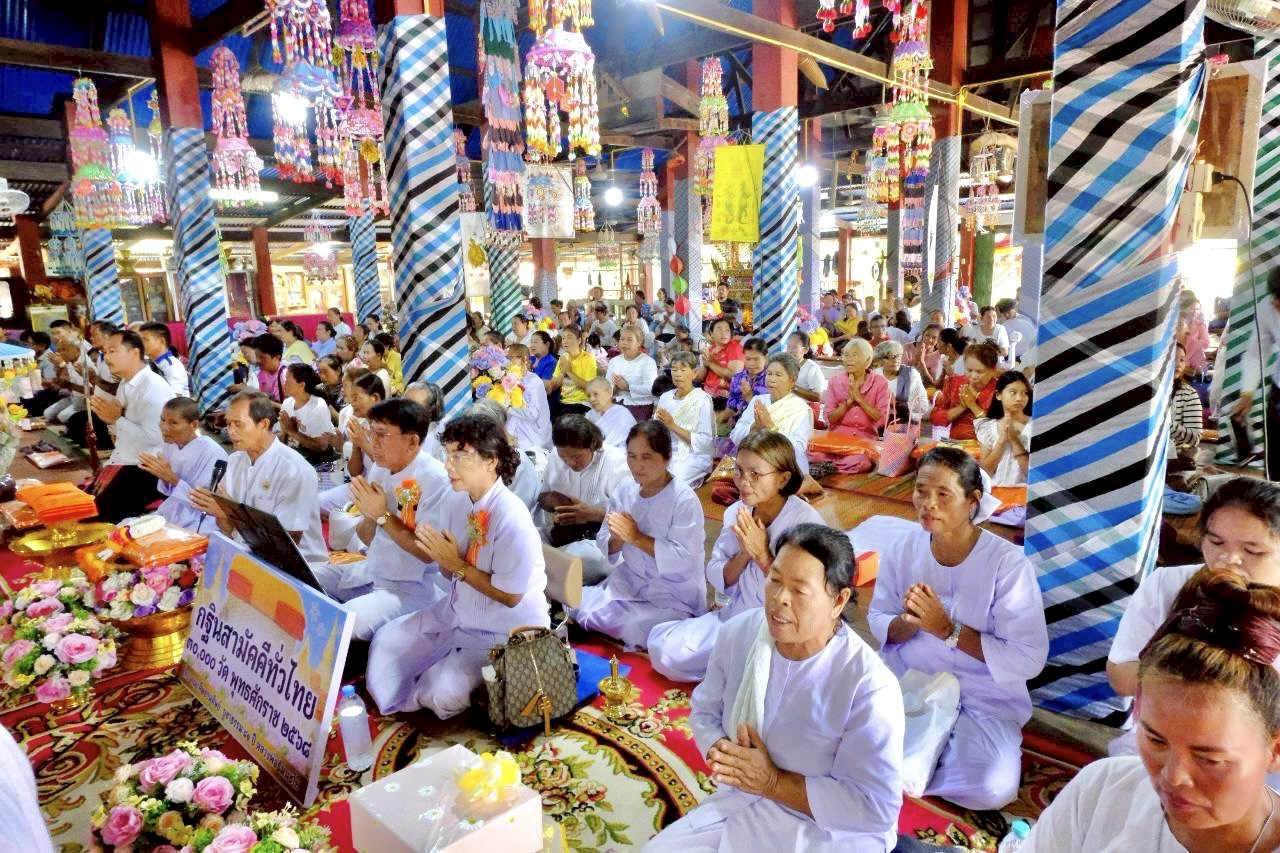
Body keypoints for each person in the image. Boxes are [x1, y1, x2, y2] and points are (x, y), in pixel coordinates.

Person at [645, 523, 905, 853]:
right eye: (775, 580)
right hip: (744, 801)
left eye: (799, 590)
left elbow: (875, 807)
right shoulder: (739, 632)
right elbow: (705, 711)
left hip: (824, 830)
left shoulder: (869, 686)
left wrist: (773, 782)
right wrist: (724, 753)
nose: (780, 599)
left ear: (838, 601)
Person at [1023, 570, 1280, 853]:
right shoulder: (1102, 791)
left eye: (1209, 759)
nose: (1173, 777)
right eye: (1156, 740)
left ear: (1275, 750)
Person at [868, 446, 1048, 810]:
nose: (928, 504)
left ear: (972, 501)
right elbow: (878, 617)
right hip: (911, 677)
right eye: (921, 491)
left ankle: (905, 765)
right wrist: (907, 623)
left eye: (943, 494)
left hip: (981, 693)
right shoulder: (903, 548)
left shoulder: (1007, 564)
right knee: (840, 727)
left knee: (992, 785)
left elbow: (1028, 658)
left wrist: (947, 629)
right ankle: (910, 760)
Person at [366, 413, 550, 716]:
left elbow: (510, 596)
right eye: (447, 455)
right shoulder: (457, 500)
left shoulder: (512, 516)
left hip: (506, 629)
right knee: (387, 642)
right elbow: (447, 569)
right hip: (457, 612)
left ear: (491, 460)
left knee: (440, 693)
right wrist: (445, 560)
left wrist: (455, 563)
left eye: (459, 457)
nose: (448, 466)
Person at [1107, 478, 1280, 758]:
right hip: (1163, 737)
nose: (1228, 558)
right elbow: (1120, 674)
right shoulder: (1168, 584)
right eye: (1215, 542)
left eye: (1252, 551)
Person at [649, 431, 822, 682]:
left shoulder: (806, 524)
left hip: (781, 629)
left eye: (755, 474)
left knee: (766, 675)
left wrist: (762, 554)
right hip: (736, 616)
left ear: (783, 479)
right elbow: (718, 574)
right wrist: (744, 553)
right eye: (739, 471)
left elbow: (804, 596)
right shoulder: (736, 512)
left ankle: (737, 673)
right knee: (663, 648)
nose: (743, 481)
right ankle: (730, 670)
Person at [312, 399, 452, 639]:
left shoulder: (436, 480)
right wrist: (368, 513)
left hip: (410, 587)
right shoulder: (381, 468)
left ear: (412, 441)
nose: (373, 442)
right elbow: (367, 536)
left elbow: (427, 553)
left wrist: (382, 515)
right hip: (372, 569)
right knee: (304, 577)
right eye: (371, 432)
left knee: (338, 625)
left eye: (381, 434)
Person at [568, 420, 707, 649]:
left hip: (671, 593)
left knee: (638, 629)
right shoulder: (625, 489)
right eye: (631, 456)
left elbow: (685, 559)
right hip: (629, 581)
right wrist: (618, 538)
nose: (637, 465)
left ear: (667, 458)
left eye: (646, 457)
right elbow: (604, 541)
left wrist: (636, 538)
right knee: (577, 604)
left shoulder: (684, 499)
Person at [189, 391, 327, 562]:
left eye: (238, 424)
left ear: (263, 424)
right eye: (228, 424)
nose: (231, 431)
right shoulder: (234, 461)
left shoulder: (294, 470)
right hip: (246, 553)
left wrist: (232, 513)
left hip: (296, 566)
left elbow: (286, 548)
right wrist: (224, 514)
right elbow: (226, 528)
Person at [91, 330, 178, 522]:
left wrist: (116, 419)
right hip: (127, 459)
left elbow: (156, 438)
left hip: (149, 468)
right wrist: (111, 421)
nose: (107, 358)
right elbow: (121, 433)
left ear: (135, 353)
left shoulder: (153, 387)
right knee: (85, 503)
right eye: (105, 352)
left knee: (99, 514)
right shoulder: (125, 384)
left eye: (113, 351)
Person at [538, 414, 629, 582]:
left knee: (587, 557)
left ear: (593, 444)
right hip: (562, 533)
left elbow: (628, 520)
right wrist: (553, 500)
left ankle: (548, 567)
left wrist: (590, 514)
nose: (570, 463)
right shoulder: (556, 456)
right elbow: (542, 497)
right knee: (526, 538)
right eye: (564, 458)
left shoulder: (616, 462)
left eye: (576, 457)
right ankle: (554, 567)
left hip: (598, 539)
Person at [137, 396, 227, 531]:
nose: (164, 427)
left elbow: (205, 503)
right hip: (173, 509)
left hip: (201, 519)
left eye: (173, 423)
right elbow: (167, 491)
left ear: (194, 425)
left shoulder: (213, 452)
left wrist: (171, 478)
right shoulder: (171, 444)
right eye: (162, 420)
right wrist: (162, 475)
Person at [810, 338, 889, 475]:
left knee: (860, 463)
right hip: (836, 439)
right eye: (846, 355)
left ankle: (830, 468)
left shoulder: (880, 383)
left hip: (864, 441)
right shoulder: (835, 381)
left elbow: (881, 419)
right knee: (815, 455)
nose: (848, 359)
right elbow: (829, 418)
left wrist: (859, 399)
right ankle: (832, 467)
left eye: (854, 355)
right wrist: (848, 402)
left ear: (867, 359)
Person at [728, 353, 814, 475]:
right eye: (769, 374)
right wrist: (753, 428)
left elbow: (799, 449)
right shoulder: (758, 400)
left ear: (792, 381)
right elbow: (735, 436)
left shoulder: (800, 409)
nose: (771, 379)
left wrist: (771, 427)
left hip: (785, 469)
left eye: (778, 375)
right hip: (753, 464)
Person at [655, 351, 715, 487]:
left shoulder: (702, 400)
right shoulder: (665, 397)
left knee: (670, 482)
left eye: (683, 369)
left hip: (693, 455)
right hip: (666, 450)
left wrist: (672, 425)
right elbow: (656, 429)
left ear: (694, 373)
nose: (677, 374)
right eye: (674, 369)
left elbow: (704, 441)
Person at [930, 341, 999, 441]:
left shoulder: (1001, 390)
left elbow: (999, 428)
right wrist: (962, 407)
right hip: (957, 443)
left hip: (988, 445)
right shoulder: (955, 383)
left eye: (979, 372)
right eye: (969, 370)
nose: (973, 376)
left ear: (993, 370)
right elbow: (936, 418)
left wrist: (972, 405)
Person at [975, 371, 1033, 487]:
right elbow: (985, 473)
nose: (1019, 398)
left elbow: (1034, 475)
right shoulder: (988, 427)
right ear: (998, 395)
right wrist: (1002, 440)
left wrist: (1015, 441)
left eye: (1025, 393)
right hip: (996, 491)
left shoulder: (1035, 425)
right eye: (1013, 392)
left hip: (1024, 492)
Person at [278, 363, 339, 469]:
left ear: (301, 385)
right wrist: (284, 432)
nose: (284, 382)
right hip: (295, 458)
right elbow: (283, 438)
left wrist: (292, 431)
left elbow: (322, 447)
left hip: (319, 463)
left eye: (287, 380)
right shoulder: (287, 403)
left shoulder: (318, 407)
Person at [500, 343, 552, 452]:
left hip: (532, 438)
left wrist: (508, 408)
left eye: (510, 358)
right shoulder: (506, 378)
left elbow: (532, 414)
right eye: (505, 358)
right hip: (512, 434)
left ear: (523, 359)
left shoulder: (534, 382)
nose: (506, 362)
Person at [605, 326, 659, 421]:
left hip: (640, 405)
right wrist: (614, 389)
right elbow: (607, 386)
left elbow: (651, 388)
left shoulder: (648, 362)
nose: (624, 343)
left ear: (639, 342)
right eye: (622, 339)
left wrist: (627, 387)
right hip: (617, 402)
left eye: (629, 340)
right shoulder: (614, 361)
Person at [873, 339, 929, 424]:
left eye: (898, 356)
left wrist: (898, 404)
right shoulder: (874, 375)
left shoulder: (911, 374)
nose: (896, 360)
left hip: (904, 424)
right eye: (890, 357)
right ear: (880, 360)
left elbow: (924, 406)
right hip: (877, 421)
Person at [547, 325, 597, 417]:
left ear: (579, 340)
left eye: (569, 337)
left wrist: (569, 372)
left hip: (582, 403)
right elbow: (553, 386)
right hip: (564, 403)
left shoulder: (588, 358)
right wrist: (562, 373)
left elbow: (590, 388)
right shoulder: (563, 359)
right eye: (563, 338)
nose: (565, 341)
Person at [1170, 342, 1204, 470]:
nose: (1178, 364)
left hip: (1174, 458)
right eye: (1173, 359)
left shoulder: (1189, 394)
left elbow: (1195, 438)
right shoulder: (1150, 393)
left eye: (1182, 360)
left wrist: (1166, 425)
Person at [139, 322, 190, 396]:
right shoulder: (150, 363)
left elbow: (175, 396)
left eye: (145, 339)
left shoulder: (172, 365)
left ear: (162, 341)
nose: (141, 344)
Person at [725, 337, 769, 422]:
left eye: (756, 359)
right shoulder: (737, 377)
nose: (751, 363)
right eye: (748, 359)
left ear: (765, 358)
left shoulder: (770, 380)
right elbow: (731, 406)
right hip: (738, 424)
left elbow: (769, 411)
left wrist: (749, 397)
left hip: (759, 424)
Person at [585, 377, 637, 449]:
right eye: (589, 396)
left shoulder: (622, 414)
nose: (591, 399)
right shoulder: (589, 416)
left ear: (609, 393)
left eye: (596, 394)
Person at [701, 318, 745, 399]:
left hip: (725, 398)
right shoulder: (710, 349)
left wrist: (710, 364)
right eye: (719, 329)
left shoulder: (735, 348)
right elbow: (701, 377)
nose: (723, 333)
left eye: (727, 330)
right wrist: (704, 365)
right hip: (707, 394)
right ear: (711, 333)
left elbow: (733, 375)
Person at [404, 380, 446, 465]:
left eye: (413, 406)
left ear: (430, 410)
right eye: (403, 402)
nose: (405, 409)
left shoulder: (442, 434)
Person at [786, 331, 826, 403]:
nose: (790, 350)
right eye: (788, 346)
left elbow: (819, 397)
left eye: (795, 347)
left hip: (803, 407)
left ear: (805, 350)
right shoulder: (783, 364)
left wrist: (792, 387)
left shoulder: (812, 368)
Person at [250, 334, 287, 405]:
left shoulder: (285, 376)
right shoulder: (261, 374)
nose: (258, 360)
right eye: (256, 356)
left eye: (262, 357)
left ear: (277, 357)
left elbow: (293, 408)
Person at [996, 299, 1035, 364]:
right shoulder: (1002, 320)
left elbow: (1031, 340)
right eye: (1004, 314)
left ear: (1015, 309)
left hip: (1020, 355)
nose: (1007, 315)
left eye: (1008, 313)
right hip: (1004, 352)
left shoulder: (1025, 321)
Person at [911, 323, 945, 389]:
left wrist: (922, 362)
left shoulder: (941, 355)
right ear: (923, 334)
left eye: (934, 338)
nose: (929, 340)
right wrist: (916, 360)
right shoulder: (908, 348)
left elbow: (935, 384)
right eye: (927, 335)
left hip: (930, 391)